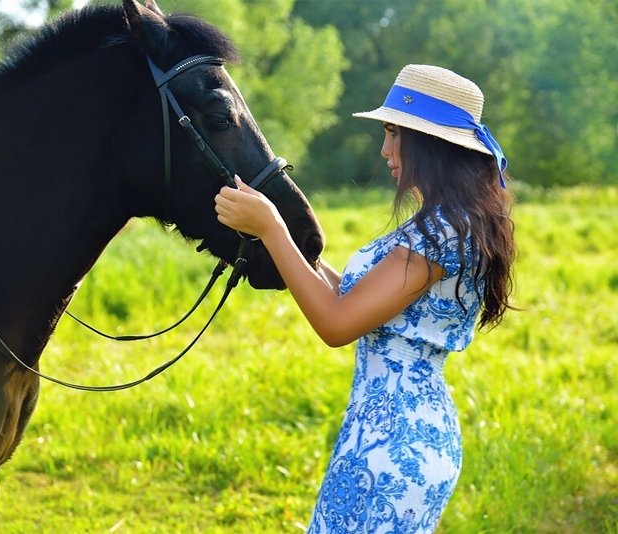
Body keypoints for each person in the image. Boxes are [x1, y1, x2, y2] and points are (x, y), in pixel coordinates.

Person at [214, 64, 516, 533]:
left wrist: (272, 229)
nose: (384, 149)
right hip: (388, 435)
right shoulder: (448, 222)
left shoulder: (441, 232)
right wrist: (290, 243)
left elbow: (338, 324)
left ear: (429, 142)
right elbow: (358, 301)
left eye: (394, 133)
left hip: (394, 447)